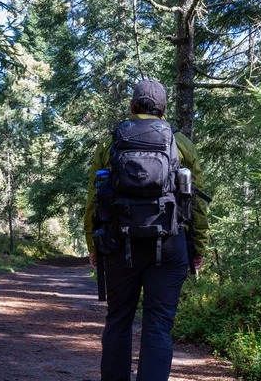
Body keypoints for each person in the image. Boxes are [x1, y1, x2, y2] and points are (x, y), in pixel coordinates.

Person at [83, 79, 209, 381]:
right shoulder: (181, 143)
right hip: (169, 243)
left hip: (118, 242)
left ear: (132, 106)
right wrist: (198, 247)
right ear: (163, 110)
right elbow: (198, 205)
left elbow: (93, 199)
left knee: (118, 321)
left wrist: (92, 245)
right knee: (158, 325)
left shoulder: (110, 142)